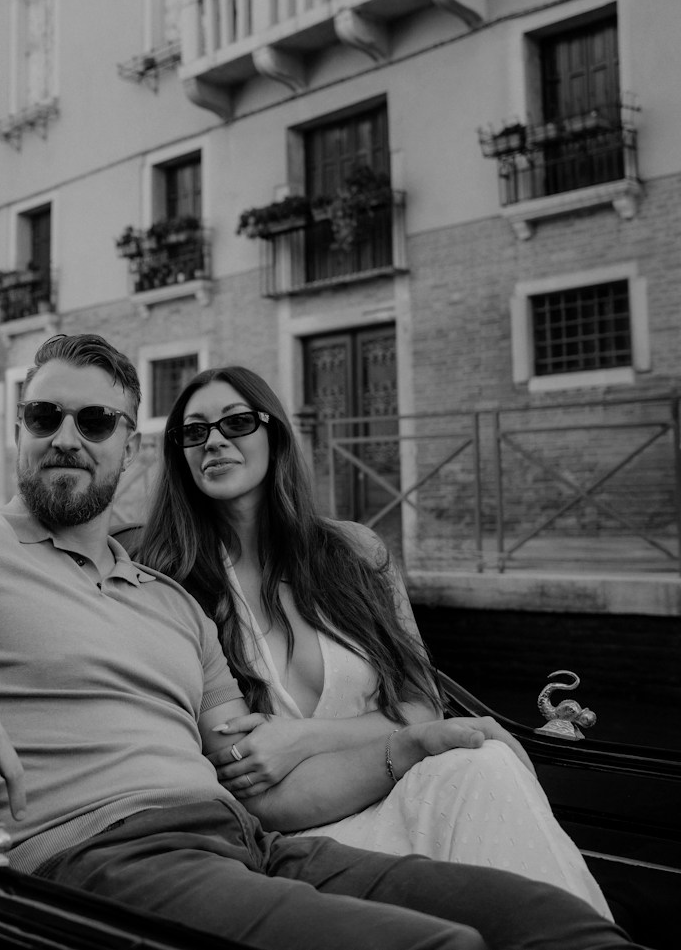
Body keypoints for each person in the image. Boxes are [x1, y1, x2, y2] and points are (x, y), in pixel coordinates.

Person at [0, 334, 637, 950]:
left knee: (549, 923)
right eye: (45, 416)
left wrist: (415, 741)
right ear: (19, 431)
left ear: (127, 449)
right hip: (100, 857)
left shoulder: (170, 601)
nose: (67, 437)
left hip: (253, 843)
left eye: (94, 423)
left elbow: (267, 787)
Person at [137, 365, 612, 917]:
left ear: (276, 435)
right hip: (299, 840)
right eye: (193, 432)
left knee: (483, 763)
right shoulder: (173, 587)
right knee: (479, 766)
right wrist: (404, 738)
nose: (214, 440)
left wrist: (303, 738)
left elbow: (421, 704)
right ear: (179, 455)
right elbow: (253, 784)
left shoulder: (355, 551)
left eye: (237, 422)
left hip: (406, 789)